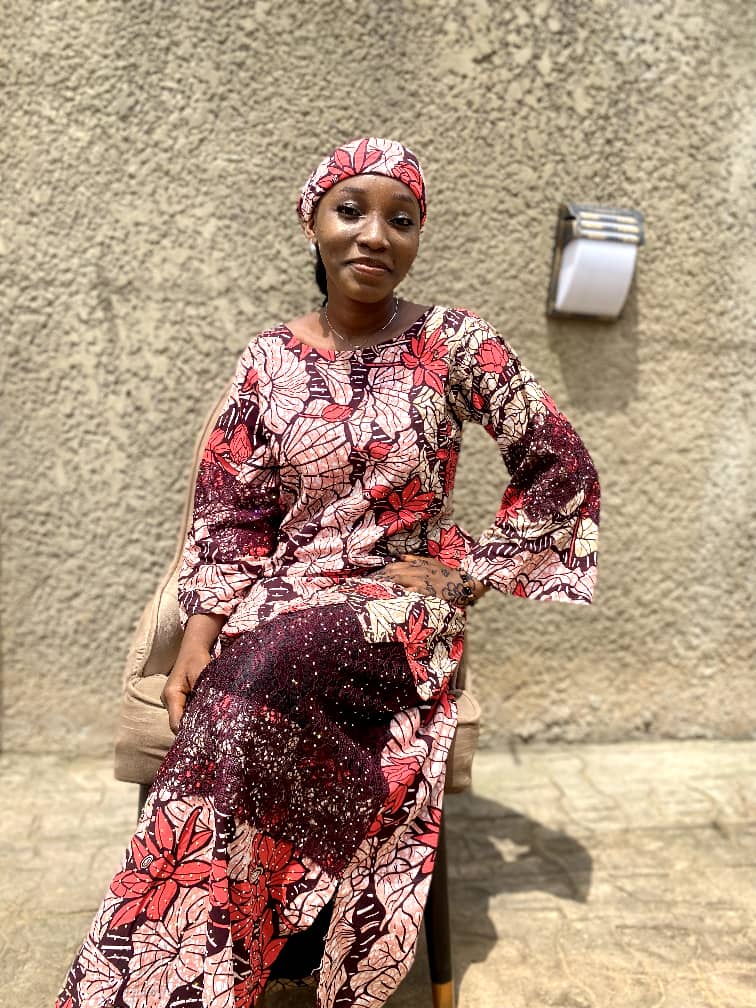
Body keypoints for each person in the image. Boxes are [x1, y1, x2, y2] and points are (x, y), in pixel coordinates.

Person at [56, 137, 599, 1008]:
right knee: (232, 690)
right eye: (352, 211)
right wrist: (197, 636)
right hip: (283, 594)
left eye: (401, 220)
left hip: (397, 607)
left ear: (416, 237)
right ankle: (230, 957)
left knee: (260, 673)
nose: (375, 235)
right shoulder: (266, 361)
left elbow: (560, 465)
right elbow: (232, 515)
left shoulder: (454, 342)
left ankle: (179, 976)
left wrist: (470, 575)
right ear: (312, 222)